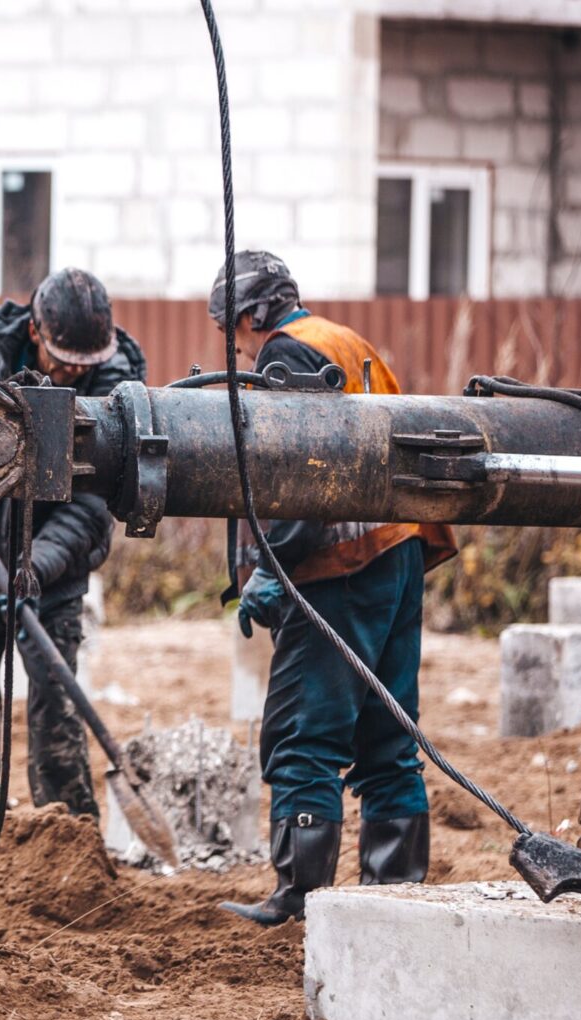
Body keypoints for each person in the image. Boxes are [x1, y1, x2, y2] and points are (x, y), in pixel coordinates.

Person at [205, 251, 459, 926]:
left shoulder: (285, 354)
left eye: (234, 326)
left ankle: (298, 901)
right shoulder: (349, 341)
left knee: (302, 733)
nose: (234, 344)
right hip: (399, 553)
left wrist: (269, 572)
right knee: (388, 737)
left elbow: (299, 473)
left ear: (254, 314)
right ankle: (392, 899)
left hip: (340, 566)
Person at [0, 268, 147, 827]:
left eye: (85, 363)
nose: (75, 371)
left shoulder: (116, 394)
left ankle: (65, 837)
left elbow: (93, 507)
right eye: (64, 359)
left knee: (55, 710)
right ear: (34, 333)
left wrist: (37, 566)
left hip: (52, 572)